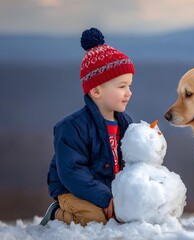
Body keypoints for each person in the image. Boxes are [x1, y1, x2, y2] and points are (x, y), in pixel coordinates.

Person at [40, 27, 135, 226]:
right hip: (73, 191)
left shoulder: (126, 123)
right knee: (94, 220)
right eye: (122, 86)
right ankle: (57, 214)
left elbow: (133, 162)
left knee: (132, 216)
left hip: (109, 192)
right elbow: (72, 172)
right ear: (96, 90)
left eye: (129, 85)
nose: (129, 93)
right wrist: (105, 199)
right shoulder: (72, 127)